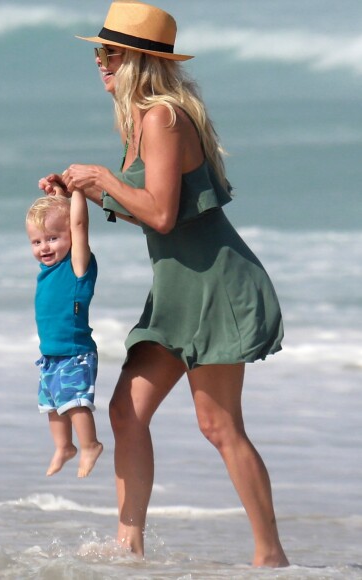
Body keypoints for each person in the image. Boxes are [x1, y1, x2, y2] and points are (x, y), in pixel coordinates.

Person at [38, 0, 290, 567]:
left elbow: (161, 215)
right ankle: (129, 550)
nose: (101, 63)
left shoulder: (163, 117)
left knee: (219, 425)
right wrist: (80, 191)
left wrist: (102, 176)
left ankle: (271, 558)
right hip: (176, 291)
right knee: (127, 412)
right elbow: (145, 206)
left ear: (139, 61)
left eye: (111, 53)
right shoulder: (140, 120)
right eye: (99, 52)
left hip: (217, 286)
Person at [26, 188, 103, 478]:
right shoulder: (47, 268)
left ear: (70, 236)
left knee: (74, 401)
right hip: (50, 355)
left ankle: (90, 444)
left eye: (52, 239)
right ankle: (64, 447)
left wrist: (77, 192)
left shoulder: (77, 266)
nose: (44, 247)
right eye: (37, 241)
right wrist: (59, 195)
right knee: (52, 404)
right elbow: (59, 220)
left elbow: (79, 225)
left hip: (75, 352)